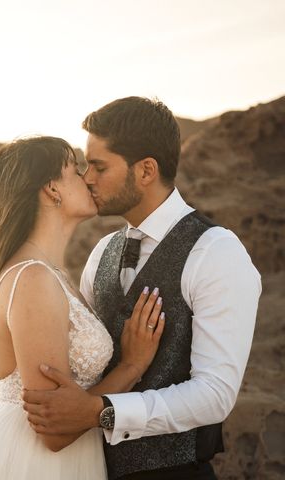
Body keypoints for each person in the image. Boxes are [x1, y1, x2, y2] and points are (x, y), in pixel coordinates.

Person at [21, 97, 262, 479]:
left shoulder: (216, 252)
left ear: (146, 170)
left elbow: (215, 395)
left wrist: (103, 411)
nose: (87, 178)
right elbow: (73, 356)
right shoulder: (102, 252)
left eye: (99, 166)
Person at [0, 136, 167, 479]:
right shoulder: (33, 278)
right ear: (52, 188)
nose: (88, 179)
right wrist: (132, 365)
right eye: (76, 171)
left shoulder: (51, 275)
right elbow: (54, 430)